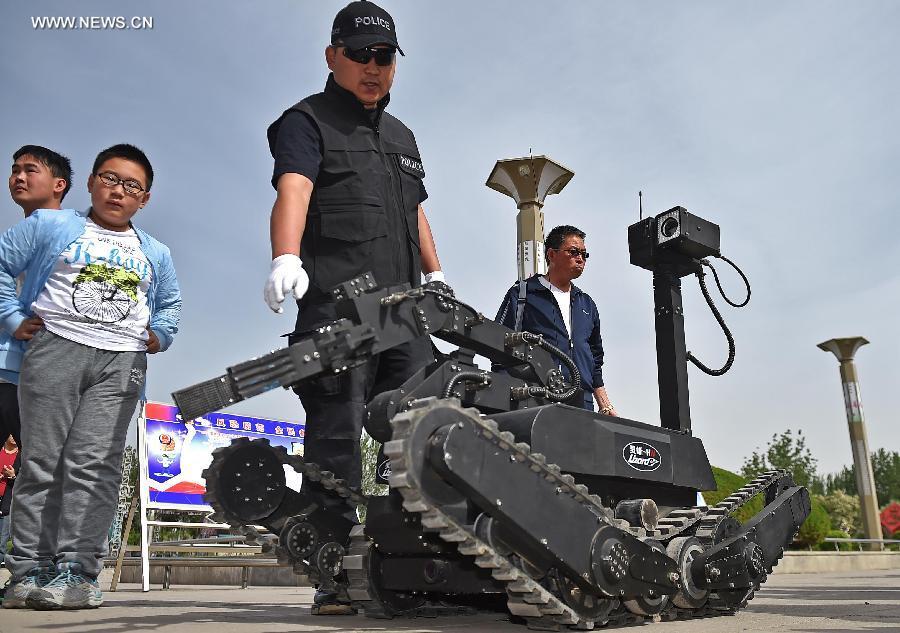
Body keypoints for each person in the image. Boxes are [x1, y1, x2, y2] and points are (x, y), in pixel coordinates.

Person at [263, 0, 446, 614]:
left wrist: (437, 272)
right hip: (338, 307)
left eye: (385, 56)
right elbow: (295, 185)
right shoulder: (306, 120)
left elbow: (415, 211)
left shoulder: (403, 136)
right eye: (361, 54)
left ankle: (414, 566)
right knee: (336, 438)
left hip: (406, 312)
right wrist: (286, 255)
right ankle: (332, 572)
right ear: (332, 56)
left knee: (421, 434)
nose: (374, 67)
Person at [0, 143, 182, 610]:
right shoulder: (52, 225)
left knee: (95, 466)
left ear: (145, 198)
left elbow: (170, 304)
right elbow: (2, 266)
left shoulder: (155, 252)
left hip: (121, 363)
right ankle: (28, 570)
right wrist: (12, 316)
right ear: (91, 183)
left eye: (132, 186)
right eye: (109, 178)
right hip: (54, 349)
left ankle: (77, 573)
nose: (118, 190)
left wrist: (159, 333)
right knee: (41, 462)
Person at [496, 225, 617, 415]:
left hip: (582, 401)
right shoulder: (523, 294)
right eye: (574, 252)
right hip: (537, 396)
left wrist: (604, 402)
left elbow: (595, 357)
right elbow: (500, 344)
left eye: (584, 254)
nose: (581, 259)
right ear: (551, 254)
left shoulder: (586, 303)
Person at [1, 145, 73, 450]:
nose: (19, 176)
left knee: (39, 473)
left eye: (30, 170)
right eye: (15, 170)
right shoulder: (24, 232)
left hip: (33, 374)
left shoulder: (69, 231)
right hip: (12, 368)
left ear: (59, 185)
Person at [0, 435, 18, 556]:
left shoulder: (22, 455)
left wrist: (12, 476)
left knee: (2, 539)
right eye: (10, 434)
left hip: (9, 501)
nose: (13, 437)